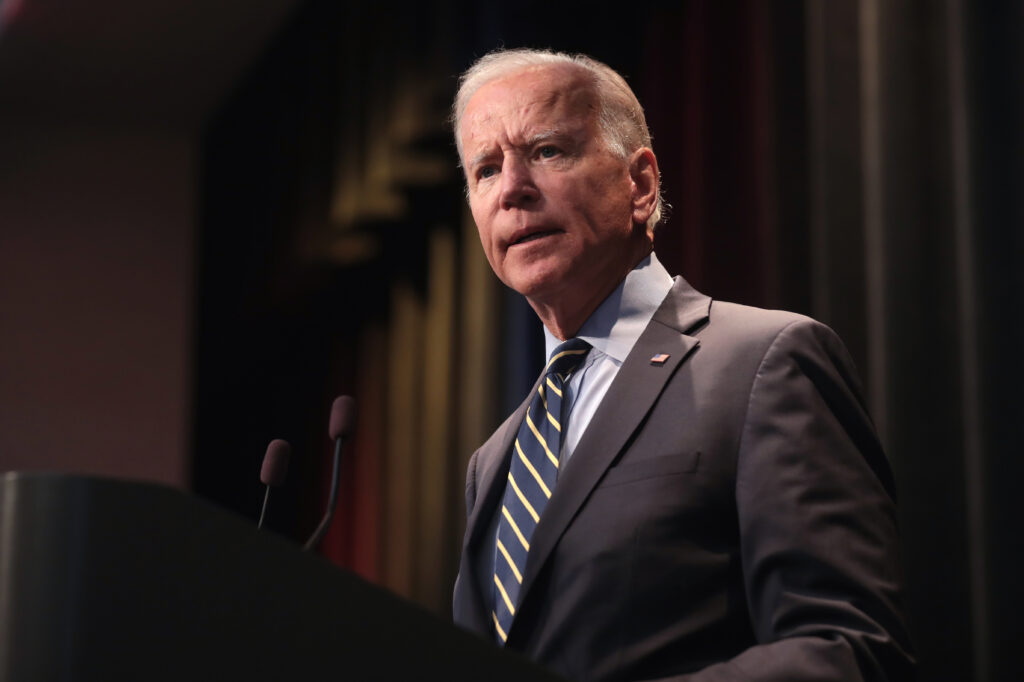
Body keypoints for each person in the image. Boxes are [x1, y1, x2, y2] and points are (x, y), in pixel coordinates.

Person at [450, 48, 914, 682]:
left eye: (547, 151)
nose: (511, 190)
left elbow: (850, 647)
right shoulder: (494, 462)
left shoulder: (763, 363)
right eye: (484, 169)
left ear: (639, 184)